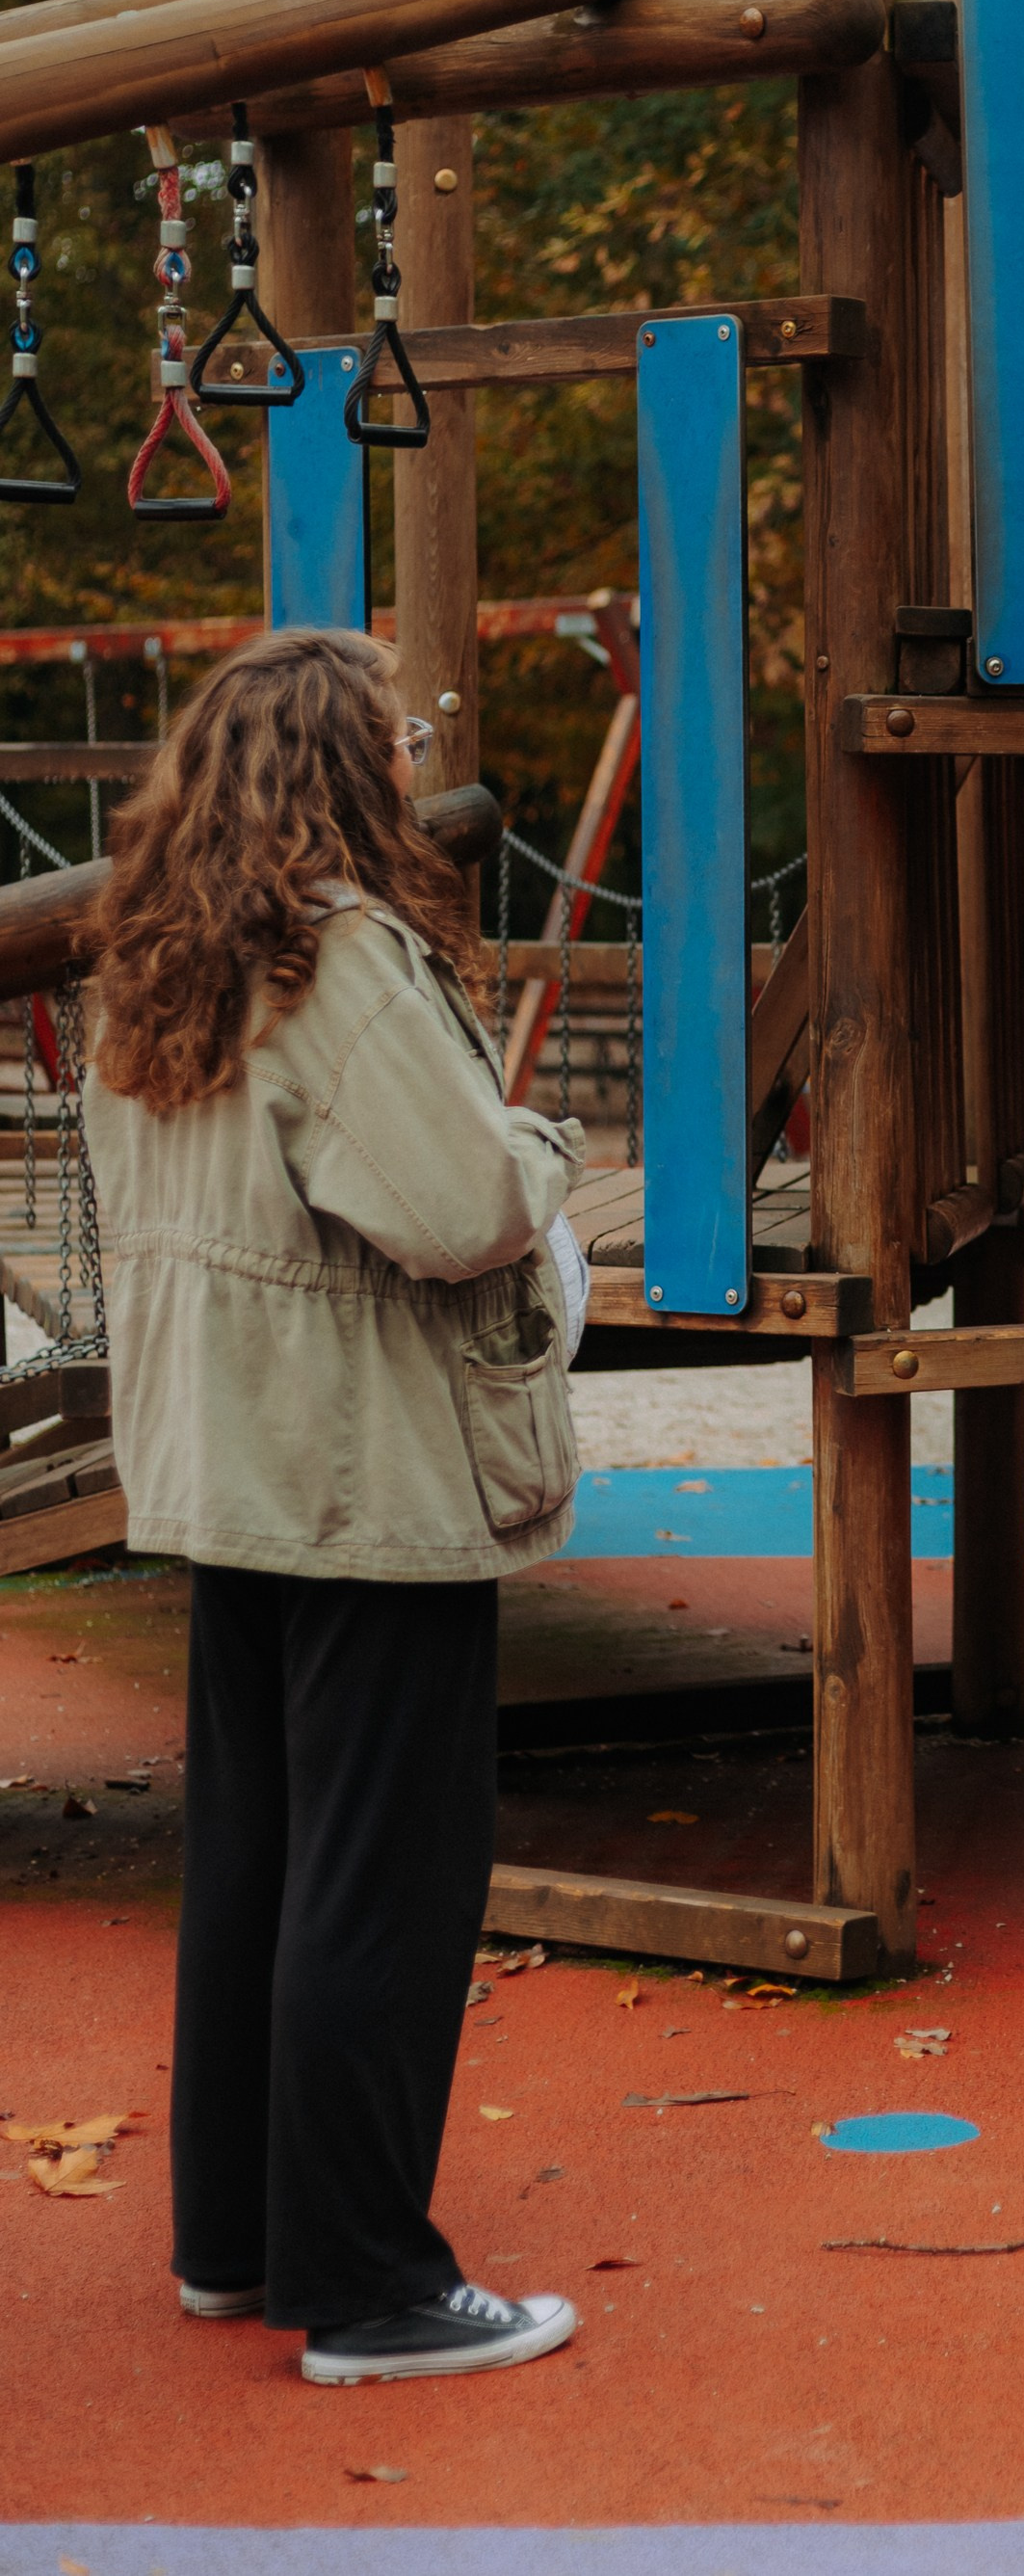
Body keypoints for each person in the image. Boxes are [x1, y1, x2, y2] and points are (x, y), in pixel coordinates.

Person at [83, 629, 587, 2384]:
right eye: (397, 739)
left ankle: (237, 2237)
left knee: (256, 1864)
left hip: (223, 1468)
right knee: (384, 1875)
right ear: (338, 766)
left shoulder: (156, 961)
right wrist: (550, 1151)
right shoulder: (332, 953)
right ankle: (368, 2282)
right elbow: (457, 1205)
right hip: (361, 1465)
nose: (414, 760)